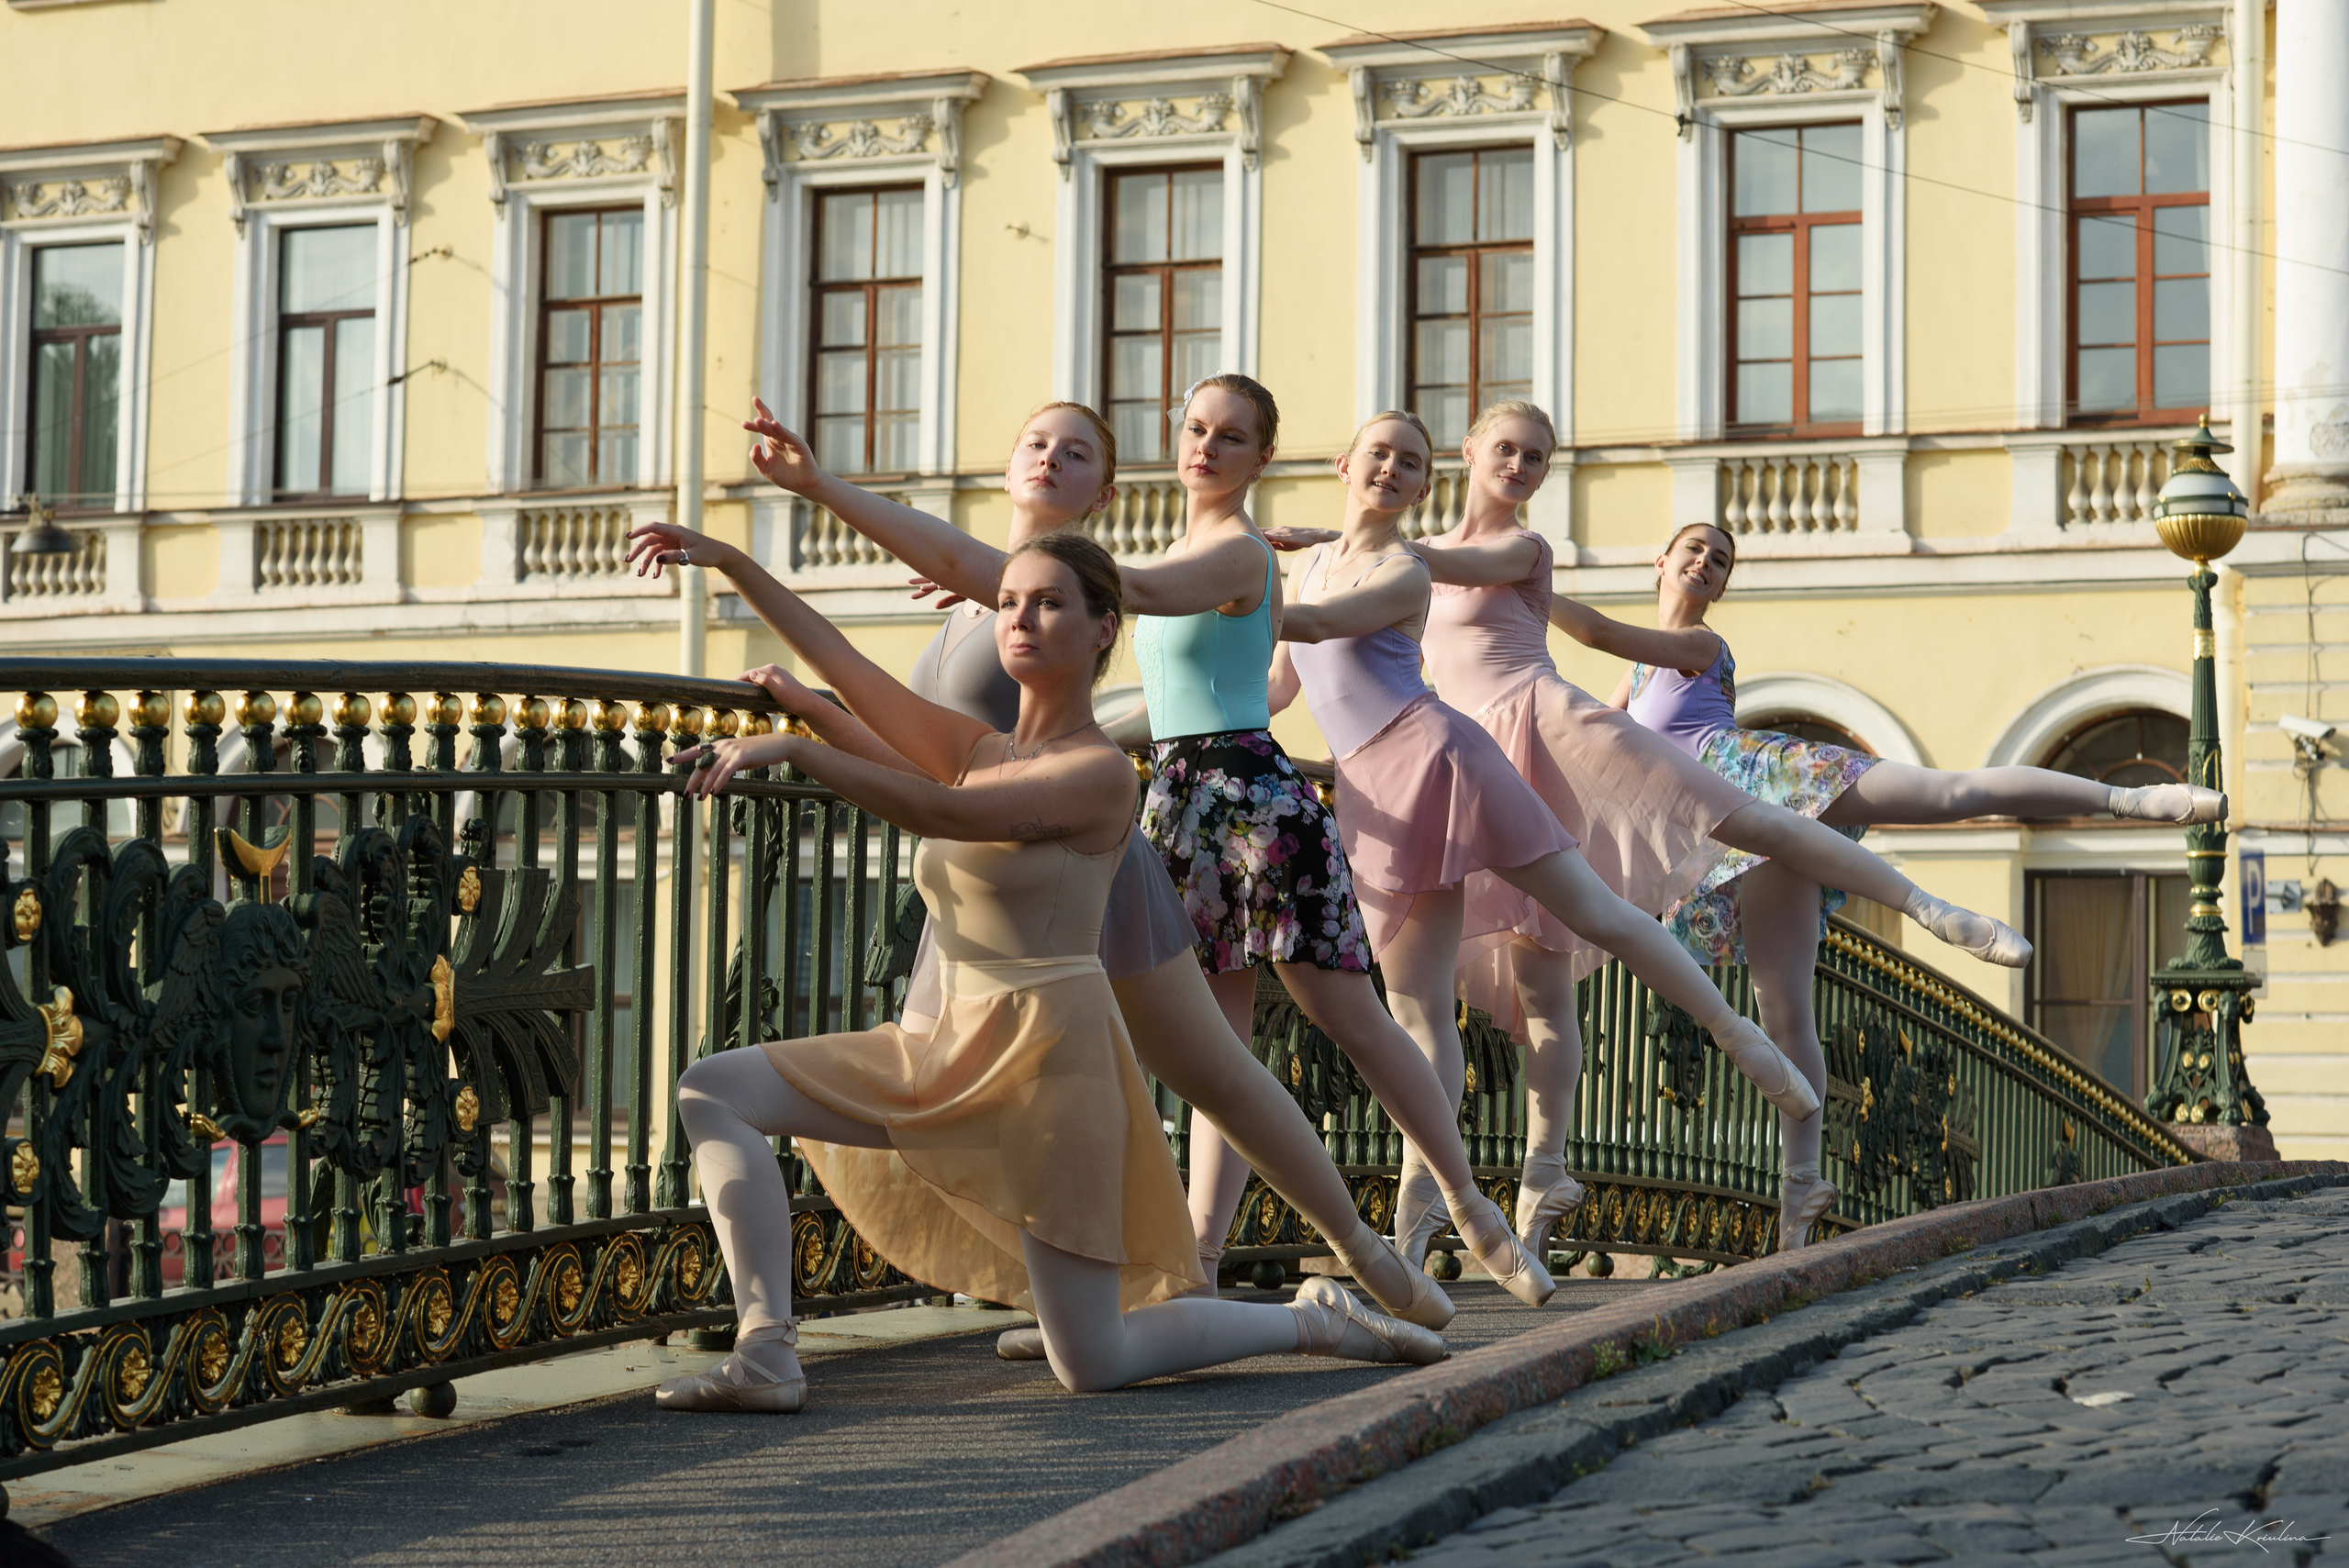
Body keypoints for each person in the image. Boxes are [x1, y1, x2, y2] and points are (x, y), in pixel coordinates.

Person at [690, 400, 1448, 1355]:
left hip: (1049, 1061)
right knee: (710, 1087)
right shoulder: (987, 745)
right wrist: (741, 573)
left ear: (1101, 632)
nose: (1018, 619)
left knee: (1102, 1344)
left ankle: (1315, 1310)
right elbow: (872, 695)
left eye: (1044, 604)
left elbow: (943, 809)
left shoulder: (1093, 763)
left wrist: (797, 749)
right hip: (955, 1035)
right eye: (1009, 605)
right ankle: (766, 1351)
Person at [1272, 402, 2043, 1257]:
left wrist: (1324, 535)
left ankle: (1931, 907)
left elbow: (1447, 564)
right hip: (1472, 757)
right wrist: (1322, 556)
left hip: (1544, 722)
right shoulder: (1388, 561)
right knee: (1540, 986)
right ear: (1468, 454)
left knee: (1742, 818)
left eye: (1536, 459)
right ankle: (1539, 1170)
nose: (1520, 467)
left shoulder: (1516, 550)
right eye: (1506, 451)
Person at [1270, 409, 1822, 1280]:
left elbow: (1310, 628)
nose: (1390, 469)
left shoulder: (1404, 566)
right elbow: (1272, 687)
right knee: (1417, 1014)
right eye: (1378, 454)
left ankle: (1741, 1039)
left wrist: (1209, 585)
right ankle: (1420, 1225)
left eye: (1406, 463)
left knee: (1591, 911)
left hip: (1445, 759)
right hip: (1372, 793)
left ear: (1424, 484)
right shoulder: (1305, 568)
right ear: (1343, 463)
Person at [1581, 519, 2220, 1246]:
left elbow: (1600, 631)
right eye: (1694, 550)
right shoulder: (1633, 679)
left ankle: (2131, 800)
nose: (1705, 562)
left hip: (1775, 779)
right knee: (1783, 1008)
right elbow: (1590, 739)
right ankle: (1801, 1187)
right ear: (1659, 560)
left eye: (1719, 560)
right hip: (1731, 840)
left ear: (1721, 586)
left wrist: (1521, 586)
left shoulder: (1699, 647)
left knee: (1950, 793)